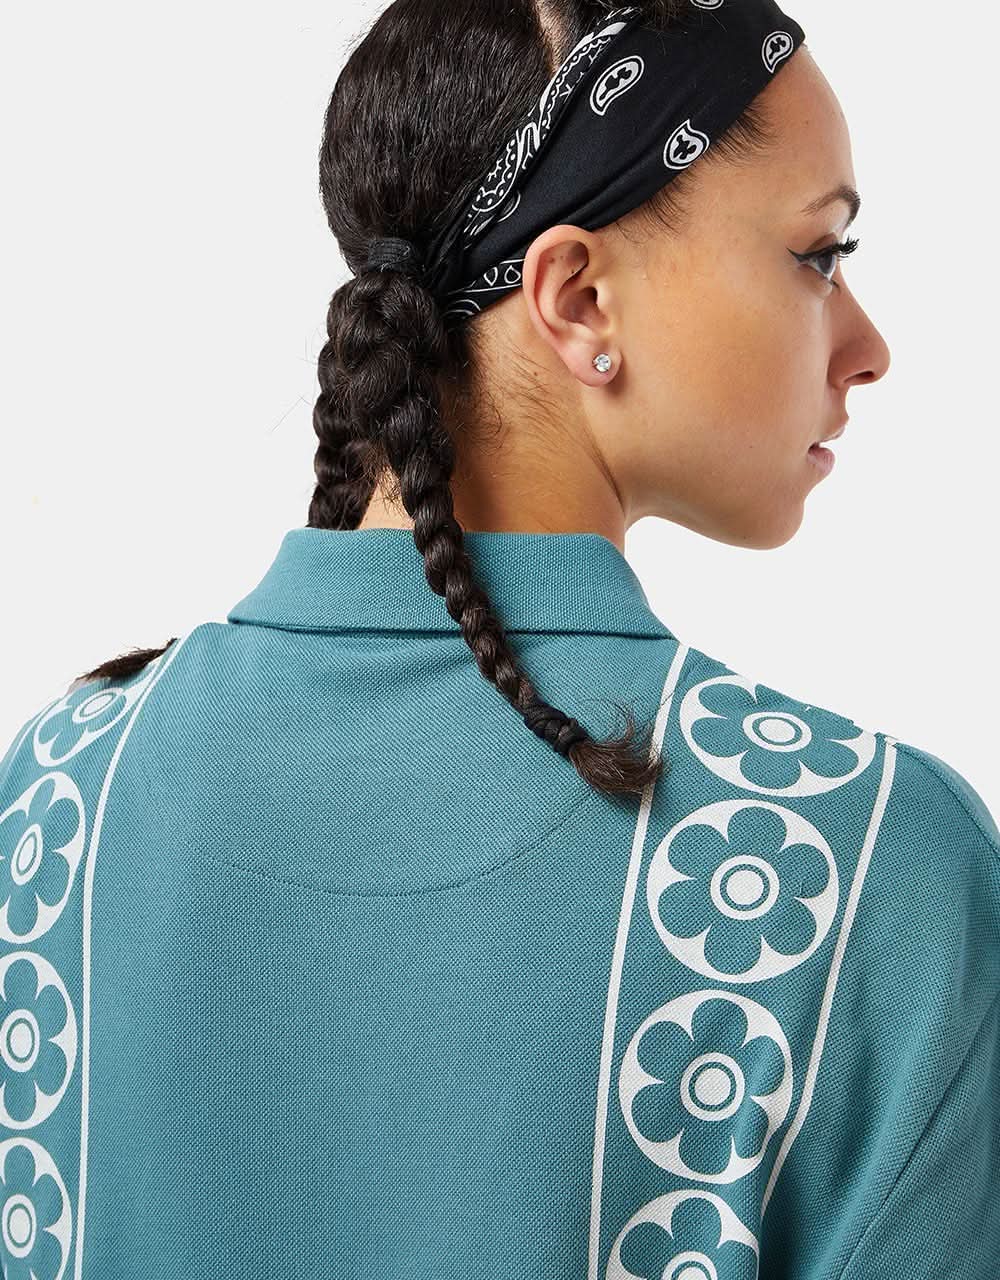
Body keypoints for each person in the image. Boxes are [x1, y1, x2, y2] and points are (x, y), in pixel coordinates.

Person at [1, 1, 996, 1276]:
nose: (868, 346)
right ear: (577, 298)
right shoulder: (866, 868)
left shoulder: (56, 800)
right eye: (819, 253)